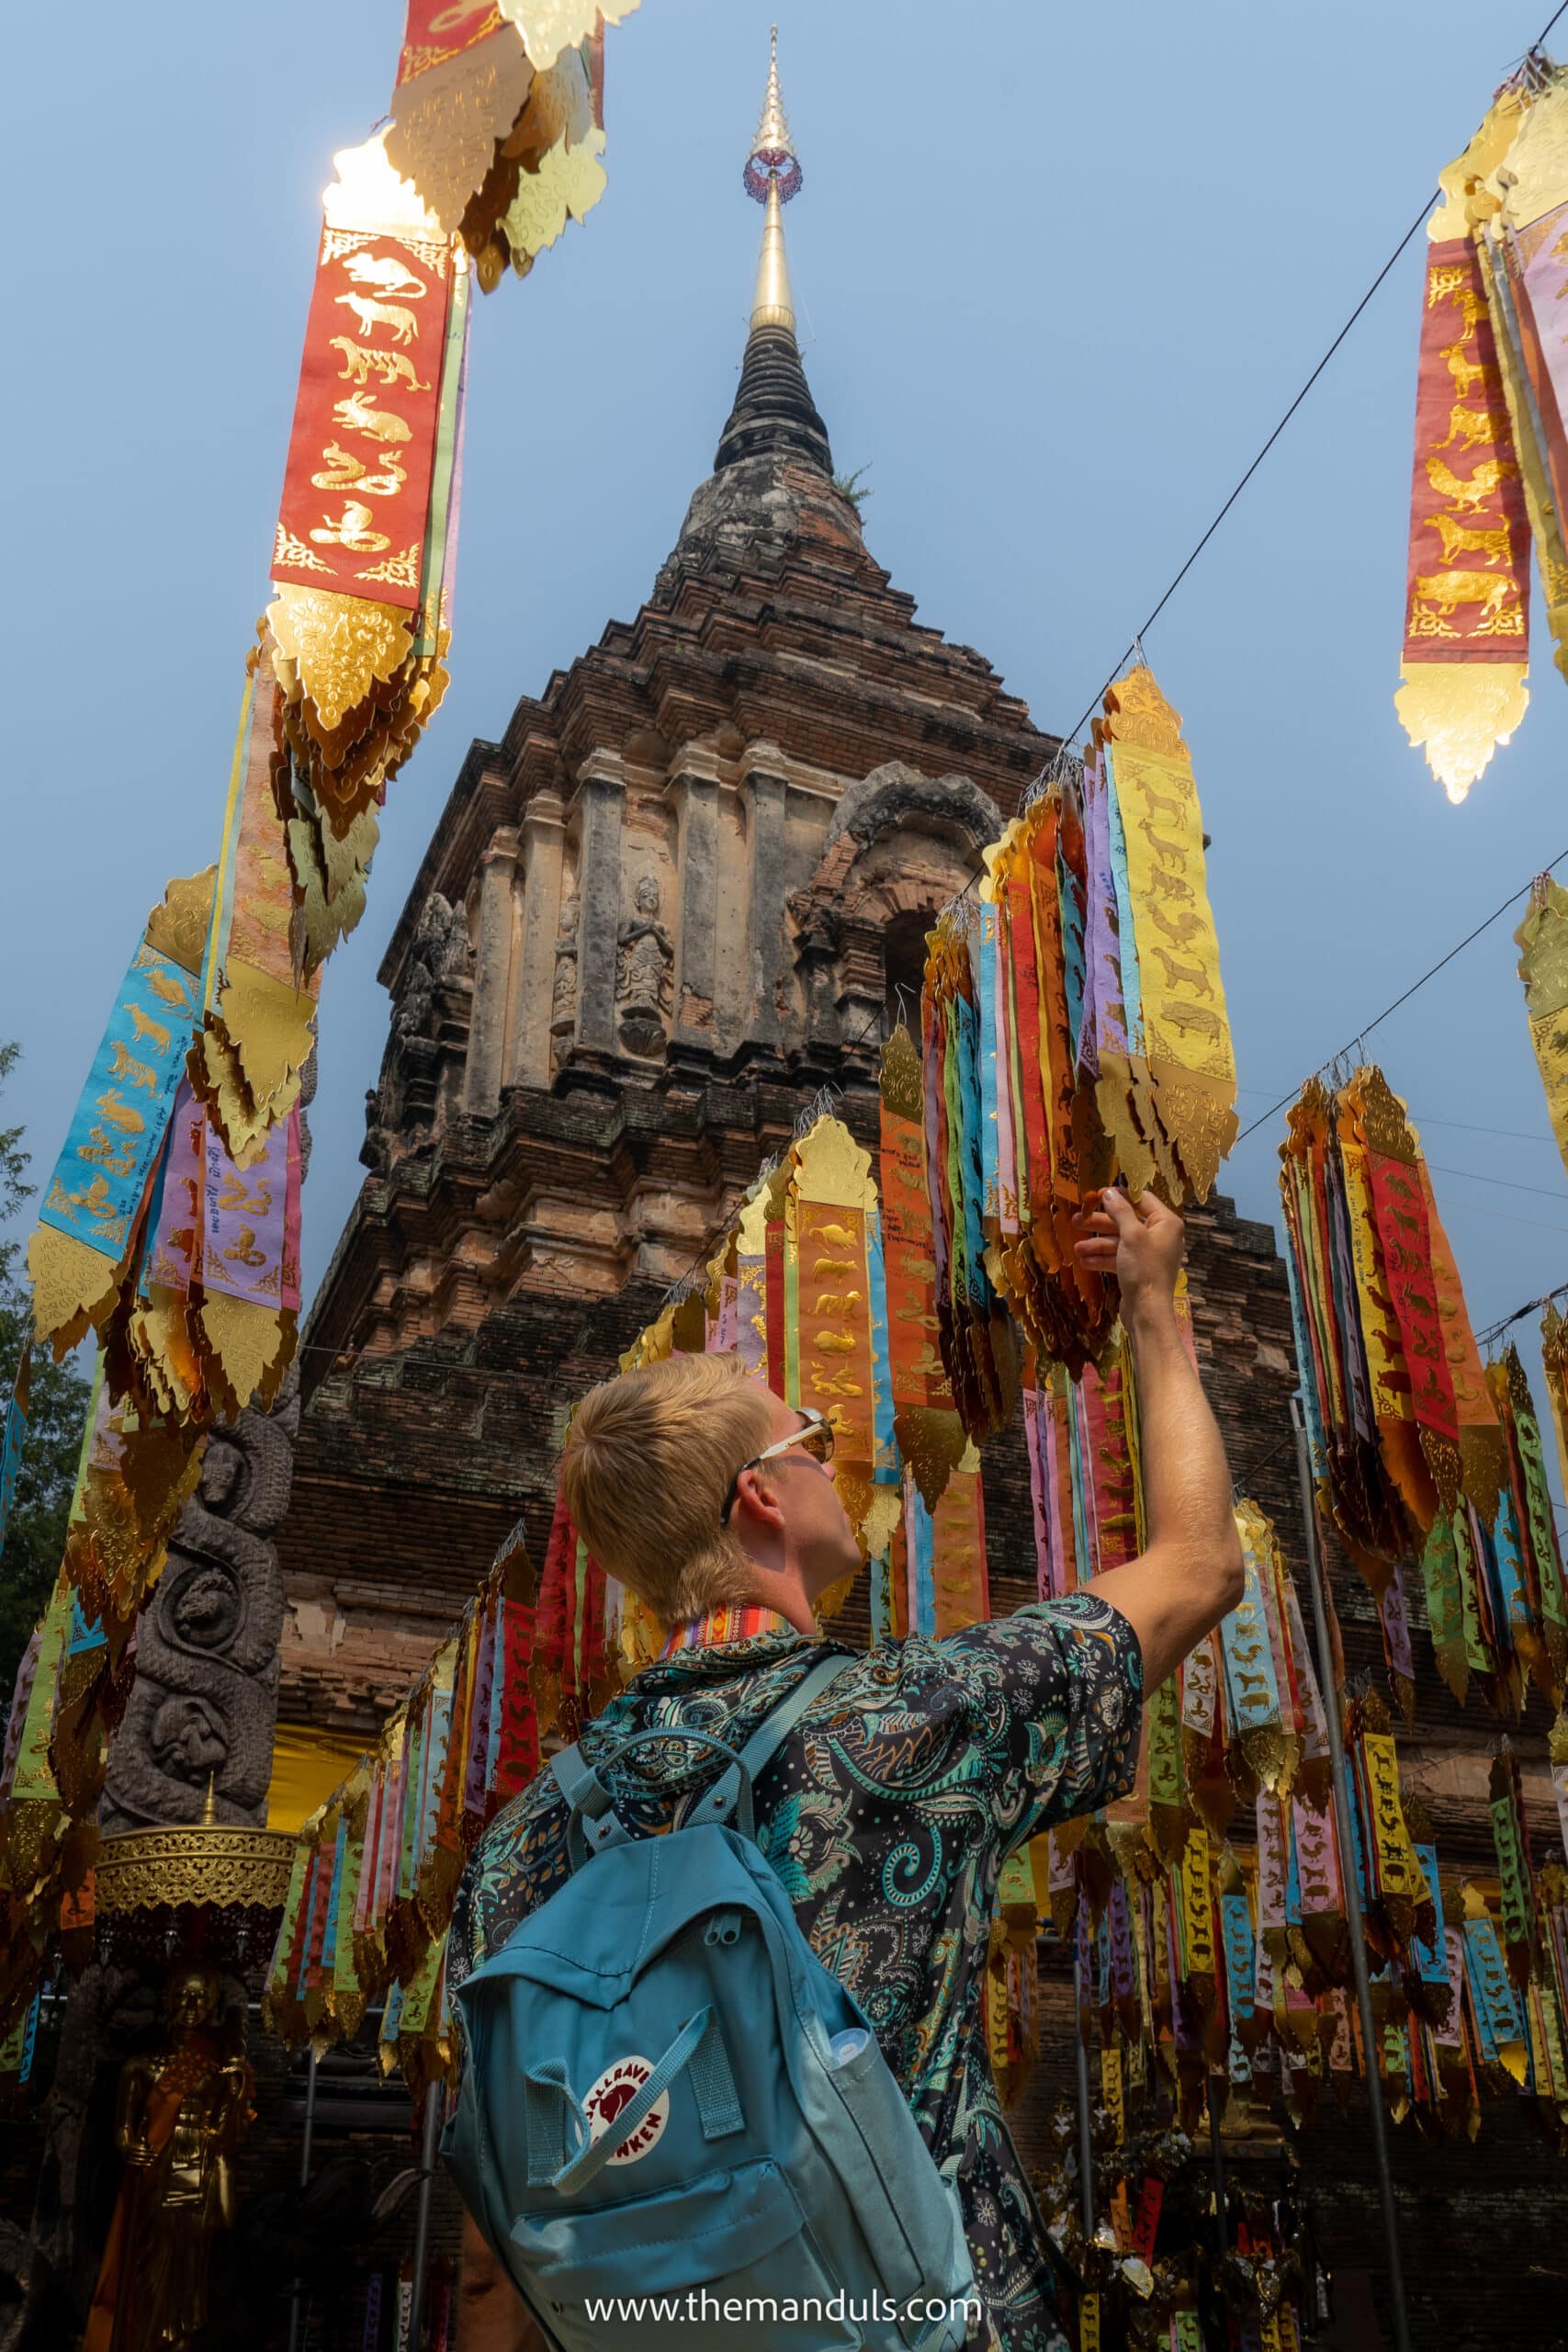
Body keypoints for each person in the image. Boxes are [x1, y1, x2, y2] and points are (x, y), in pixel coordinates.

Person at [448, 1187, 1244, 2352]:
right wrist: (1154, 1302)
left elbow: (492, 2256)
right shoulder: (901, 1723)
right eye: (811, 1436)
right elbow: (1200, 1563)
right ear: (762, 1496)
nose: (835, 1455)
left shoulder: (519, 1844)